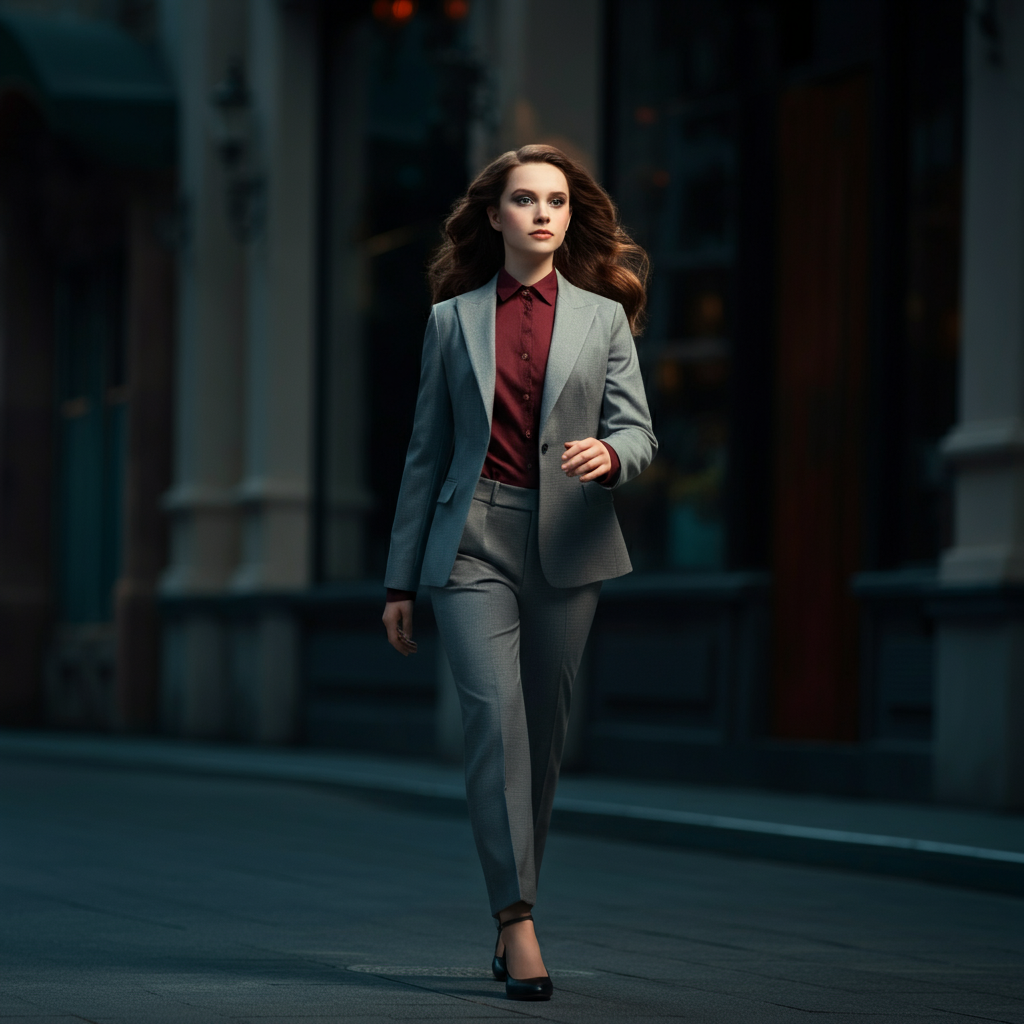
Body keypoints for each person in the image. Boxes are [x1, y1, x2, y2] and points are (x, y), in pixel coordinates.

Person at [381, 144, 656, 1001]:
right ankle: (516, 919)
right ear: (494, 215)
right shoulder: (449, 321)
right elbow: (425, 455)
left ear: (571, 218)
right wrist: (399, 580)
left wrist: (609, 455)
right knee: (493, 725)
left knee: (540, 737)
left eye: (558, 202)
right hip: (472, 539)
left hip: (569, 544)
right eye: (525, 200)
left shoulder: (603, 318)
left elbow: (641, 434)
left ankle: (514, 907)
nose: (543, 213)